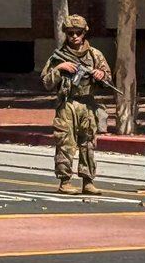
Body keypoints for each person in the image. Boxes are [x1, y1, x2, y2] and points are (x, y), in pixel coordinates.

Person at [40, 14, 111, 195]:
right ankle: (65, 181)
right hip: (67, 104)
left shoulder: (95, 55)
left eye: (78, 32)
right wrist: (59, 69)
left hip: (87, 104)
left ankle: (88, 181)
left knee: (88, 144)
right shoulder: (58, 57)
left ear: (84, 33)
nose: (74, 36)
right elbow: (46, 83)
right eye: (70, 33)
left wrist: (100, 75)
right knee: (65, 142)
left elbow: (108, 78)